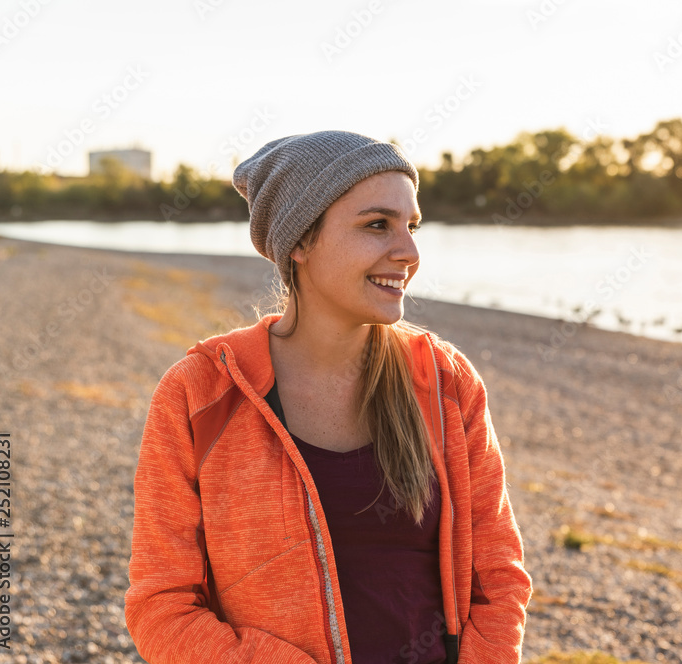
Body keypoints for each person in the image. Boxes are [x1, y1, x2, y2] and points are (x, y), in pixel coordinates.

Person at [124, 131, 532, 663]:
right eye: (376, 225)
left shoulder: (447, 382)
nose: (408, 252)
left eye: (411, 226)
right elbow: (162, 604)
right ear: (300, 241)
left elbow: (499, 579)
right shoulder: (200, 394)